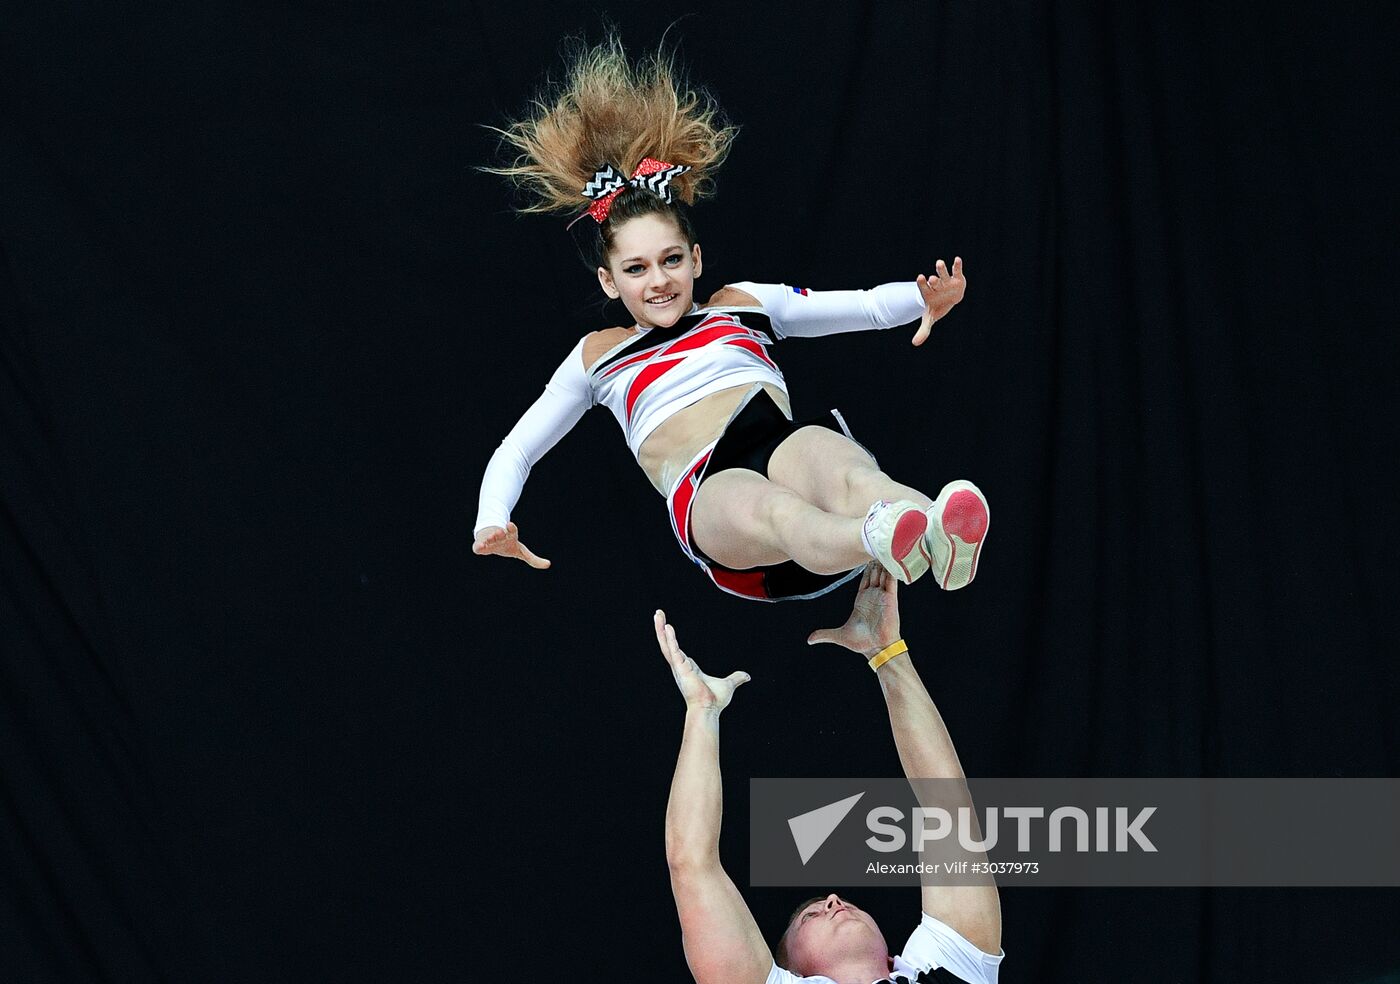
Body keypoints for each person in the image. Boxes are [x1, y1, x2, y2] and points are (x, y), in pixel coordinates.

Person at [473, 36, 989, 601]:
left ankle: (938, 532)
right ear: (609, 281)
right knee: (775, 510)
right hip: (711, 494)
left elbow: (863, 304)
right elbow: (517, 449)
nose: (659, 280)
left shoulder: (739, 306)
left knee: (846, 471)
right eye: (636, 268)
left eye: (671, 260)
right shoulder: (599, 355)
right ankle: (879, 534)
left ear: (695, 259)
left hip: (781, 443)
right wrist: (490, 520)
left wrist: (923, 300)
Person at [656, 564, 1004, 983]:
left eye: (821, 905)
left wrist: (887, 651)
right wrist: (702, 711)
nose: (834, 900)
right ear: (789, 972)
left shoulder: (947, 964)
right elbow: (690, 863)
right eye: (810, 916)